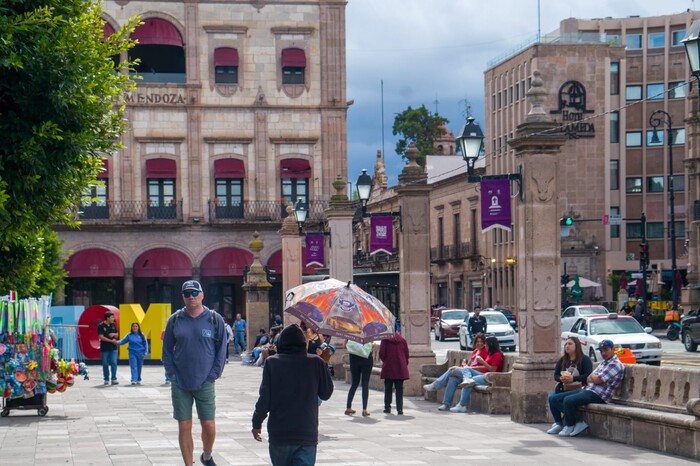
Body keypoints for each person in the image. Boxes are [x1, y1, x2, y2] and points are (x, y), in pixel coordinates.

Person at [162, 280, 227, 466]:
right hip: (180, 381)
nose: (191, 297)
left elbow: (221, 350)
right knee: (184, 425)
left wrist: (213, 375)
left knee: (209, 424)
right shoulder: (175, 320)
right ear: (183, 297)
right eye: (187, 294)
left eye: (194, 293)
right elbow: (166, 351)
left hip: (205, 380)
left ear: (202, 294)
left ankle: (207, 455)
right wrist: (172, 374)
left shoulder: (215, 319)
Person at [251, 324, 334, 465]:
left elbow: (265, 398)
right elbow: (326, 393)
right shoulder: (316, 363)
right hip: (306, 433)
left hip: (280, 434)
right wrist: (325, 364)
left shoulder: (272, 363)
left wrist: (256, 423)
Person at [559, 339, 625, 437]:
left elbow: (597, 379)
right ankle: (576, 422)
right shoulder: (603, 363)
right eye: (601, 350)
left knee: (568, 400)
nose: (603, 353)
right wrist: (597, 379)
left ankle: (570, 425)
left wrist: (597, 379)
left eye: (606, 350)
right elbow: (589, 378)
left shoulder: (616, 364)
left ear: (613, 349)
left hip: (600, 395)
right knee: (557, 398)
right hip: (590, 389)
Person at [424, 334, 502, 412]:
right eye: (478, 342)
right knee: (453, 379)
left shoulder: (492, 354)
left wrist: (478, 363)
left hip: (485, 376)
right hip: (472, 374)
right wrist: (464, 367)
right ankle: (446, 404)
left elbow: (491, 369)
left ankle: (436, 386)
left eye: (484, 343)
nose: (483, 345)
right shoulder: (479, 352)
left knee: (459, 374)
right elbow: (470, 365)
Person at [546, 337, 593, 434]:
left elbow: (588, 375)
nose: (567, 346)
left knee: (556, 398)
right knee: (551, 397)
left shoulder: (584, 359)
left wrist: (573, 378)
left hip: (579, 388)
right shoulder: (563, 360)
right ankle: (559, 423)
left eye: (570, 344)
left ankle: (572, 422)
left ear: (577, 345)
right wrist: (561, 378)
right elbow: (556, 375)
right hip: (564, 387)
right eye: (566, 344)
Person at [379, 329, 409, 415]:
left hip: (389, 367)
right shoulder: (402, 340)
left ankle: (387, 407)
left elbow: (382, 354)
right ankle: (400, 409)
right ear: (396, 331)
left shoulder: (385, 340)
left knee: (388, 388)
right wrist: (403, 363)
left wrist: (386, 361)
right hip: (400, 367)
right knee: (399, 388)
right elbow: (406, 354)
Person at [345, 341, 374, 417]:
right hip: (366, 360)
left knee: (354, 384)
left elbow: (344, 345)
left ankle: (348, 407)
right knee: (365, 384)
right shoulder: (368, 333)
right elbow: (371, 347)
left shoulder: (352, 332)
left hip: (354, 360)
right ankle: (364, 410)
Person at [97, 311, 119, 385]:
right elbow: (101, 337)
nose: (113, 318)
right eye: (112, 317)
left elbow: (117, 334)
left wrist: (114, 334)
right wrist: (110, 341)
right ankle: (106, 378)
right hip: (104, 348)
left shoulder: (113, 324)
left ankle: (114, 378)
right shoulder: (100, 326)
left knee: (114, 362)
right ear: (107, 318)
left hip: (113, 348)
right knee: (105, 363)